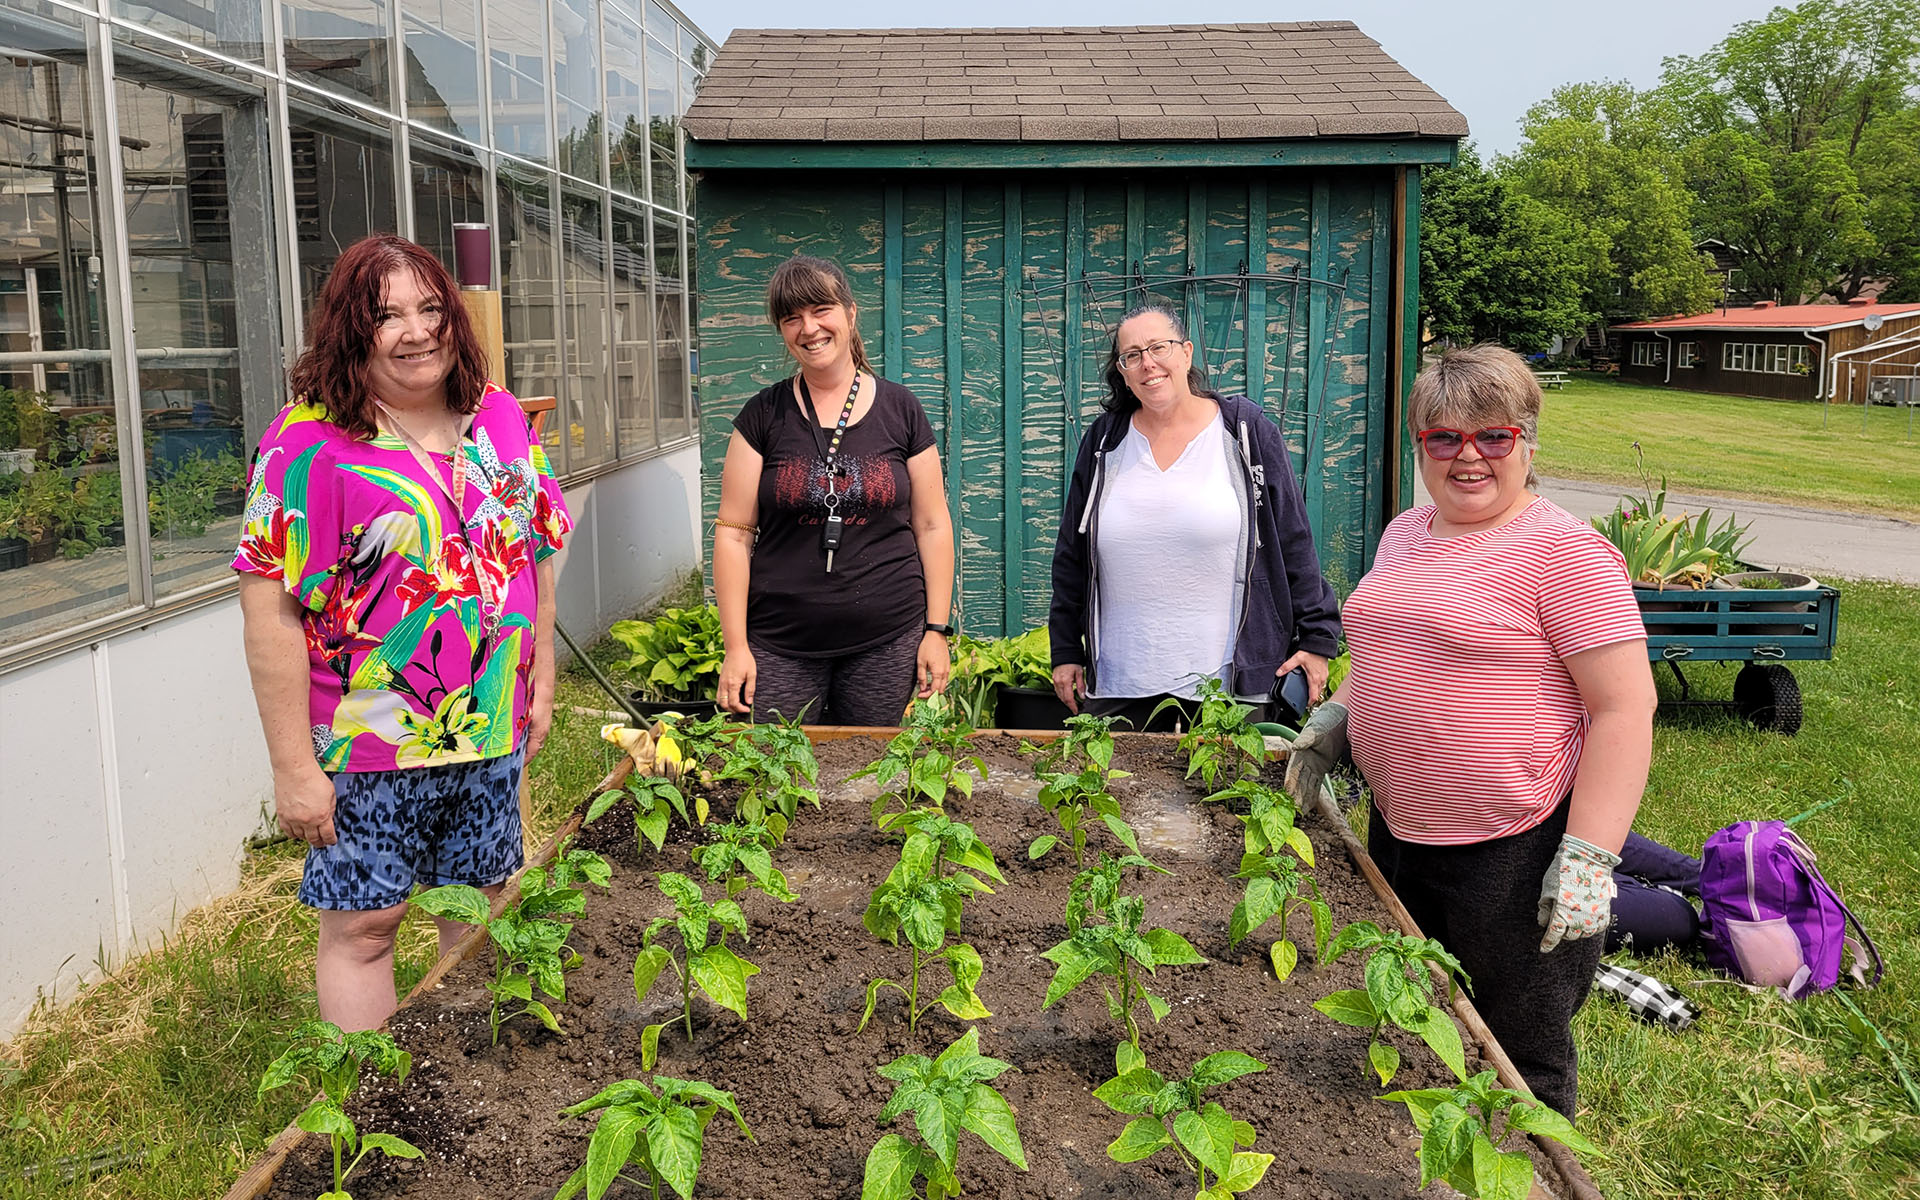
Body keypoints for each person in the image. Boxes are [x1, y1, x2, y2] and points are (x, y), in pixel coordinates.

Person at [1285, 343, 1656, 1119]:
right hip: (1401, 827)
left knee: (1518, 1050)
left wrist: (1589, 856)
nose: (1468, 456)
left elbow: (1625, 708)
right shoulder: (1406, 533)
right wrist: (1342, 717)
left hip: (1513, 846)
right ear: (1420, 445)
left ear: (1526, 442)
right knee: (1418, 1016)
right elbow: (1396, 646)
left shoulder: (1566, 555)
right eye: (1444, 437)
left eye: (1493, 436)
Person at [234, 234, 571, 1031]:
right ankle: (371, 1111)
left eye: (429, 308)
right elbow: (269, 609)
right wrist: (292, 768)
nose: (416, 331)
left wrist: (542, 668)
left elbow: (536, 548)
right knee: (365, 929)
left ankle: (479, 1095)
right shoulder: (308, 441)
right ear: (352, 332)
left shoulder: (496, 416)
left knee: (483, 911)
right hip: (366, 743)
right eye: (387, 316)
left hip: (488, 725)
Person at [1048, 304, 1341, 731]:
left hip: (1230, 690)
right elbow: (1072, 555)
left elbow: (1294, 538)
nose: (1148, 363)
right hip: (1119, 687)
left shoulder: (1245, 431)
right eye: (1132, 355)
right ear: (1123, 372)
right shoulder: (1104, 442)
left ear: (1186, 354)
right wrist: (1066, 650)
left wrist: (1317, 639)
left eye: (1158, 348)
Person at [713, 255, 955, 725]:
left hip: (889, 638)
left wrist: (936, 630)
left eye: (820, 310)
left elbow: (931, 524)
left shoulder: (901, 409)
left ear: (849, 313)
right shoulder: (763, 415)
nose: (809, 328)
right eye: (791, 318)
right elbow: (733, 534)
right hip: (780, 642)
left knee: (875, 783)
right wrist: (736, 647)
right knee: (778, 782)